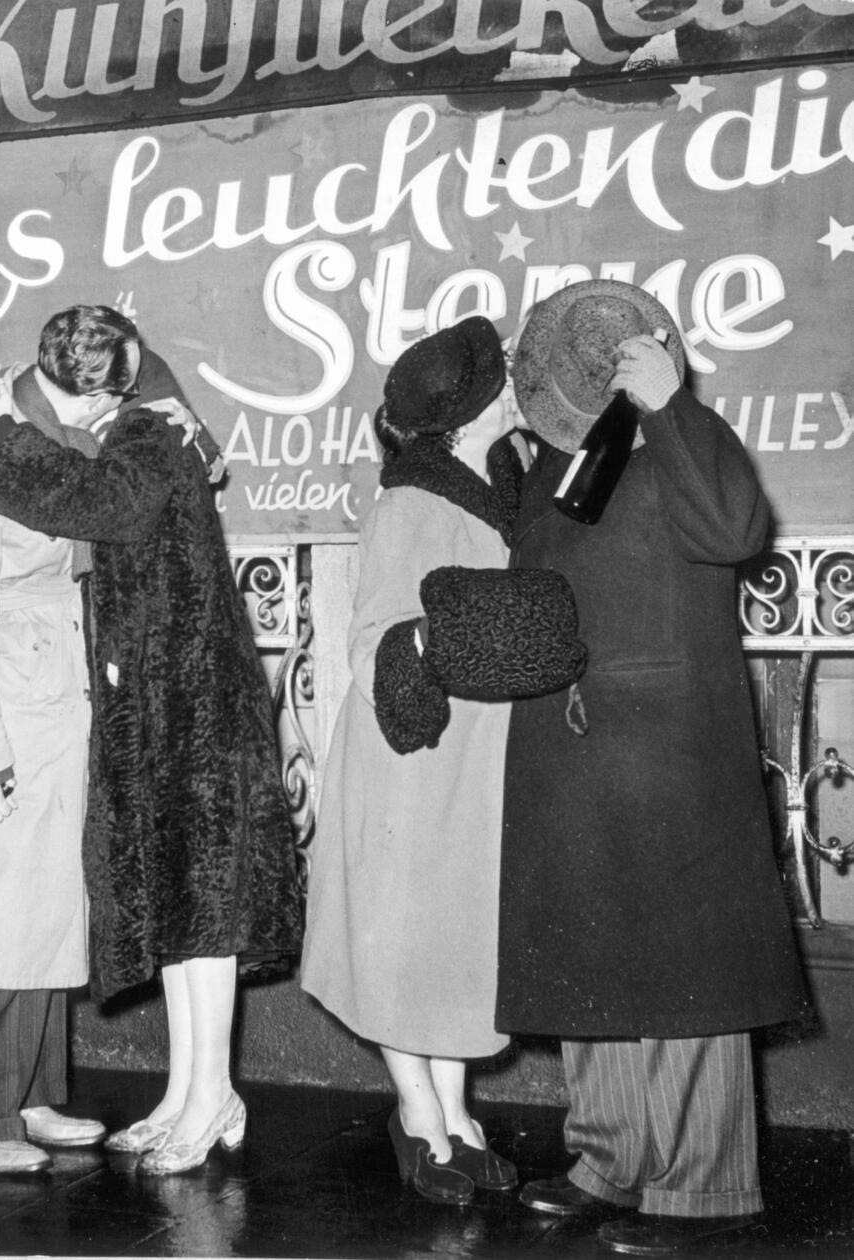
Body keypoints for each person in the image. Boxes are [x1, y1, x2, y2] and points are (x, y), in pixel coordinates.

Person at [499, 280, 805, 1256]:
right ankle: (607, 1160)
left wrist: (671, 405)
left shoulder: (692, 435)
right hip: (575, 757)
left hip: (669, 755)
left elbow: (731, 533)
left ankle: (699, 1195)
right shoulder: (563, 462)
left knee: (686, 983)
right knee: (593, 969)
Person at [0, 307, 305, 1175]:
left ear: (95, 388)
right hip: (168, 703)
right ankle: (196, 1092)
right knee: (190, 923)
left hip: (197, 708)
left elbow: (103, 508)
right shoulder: (146, 429)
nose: (53, 413)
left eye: (54, 396)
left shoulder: (148, 433)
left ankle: (212, 1094)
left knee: (207, 920)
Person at [298, 317, 585, 1204]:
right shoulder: (412, 501)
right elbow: (379, 638)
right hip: (412, 758)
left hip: (471, 755)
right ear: (471, 413)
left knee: (453, 943)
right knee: (406, 938)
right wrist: (437, 644)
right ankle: (419, 1114)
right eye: (505, 379)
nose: (519, 389)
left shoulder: (505, 480)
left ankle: (458, 1116)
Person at [0, 308, 153, 1176]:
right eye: (111, 393)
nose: (114, 410)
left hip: (49, 713)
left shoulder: (53, 453)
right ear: (71, 385)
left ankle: (30, 1095)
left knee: (44, 916)